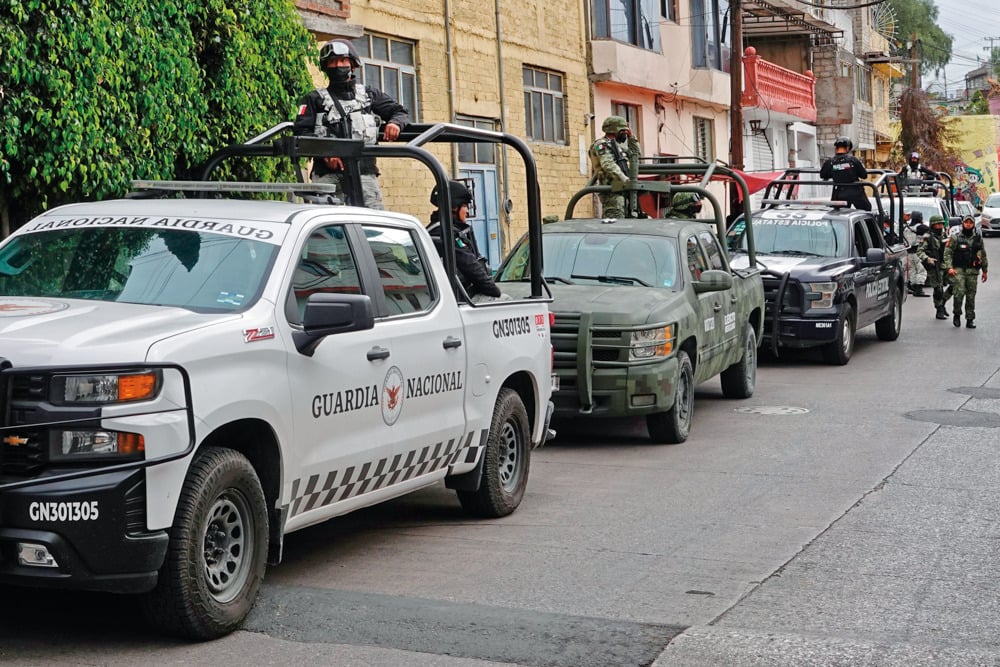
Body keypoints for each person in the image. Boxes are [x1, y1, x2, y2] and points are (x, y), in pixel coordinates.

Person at [293, 39, 411, 209]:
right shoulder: (314, 99)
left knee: (371, 225)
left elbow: (400, 111)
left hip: (364, 175)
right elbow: (301, 133)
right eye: (332, 62)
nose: (337, 66)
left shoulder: (369, 95)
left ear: (352, 64)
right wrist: (326, 153)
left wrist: (395, 124)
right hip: (328, 177)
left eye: (342, 60)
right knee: (328, 229)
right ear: (326, 67)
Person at [427, 180, 502, 300]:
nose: (467, 211)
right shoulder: (446, 233)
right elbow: (471, 266)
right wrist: (495, 291)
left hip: (455, 297)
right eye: (465, 206)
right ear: (454, 207)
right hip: (460, 298)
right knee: (504, 301)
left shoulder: (438, 229)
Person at [588, 116, 640, 218]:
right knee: (616, 224)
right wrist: (625, 180)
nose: (625, 133)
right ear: (614, 130)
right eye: (623, 131)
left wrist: (631, 138)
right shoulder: (601, 145)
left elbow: (636, 154)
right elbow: (608, 164)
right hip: (612, 193)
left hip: (625, 191)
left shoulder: (618, 146)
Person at [943, 215, 989, 328]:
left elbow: (983, 254)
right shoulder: (956, 238)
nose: (968, 224)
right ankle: (957, 314)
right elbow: (947, 253)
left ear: (973, 224)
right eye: (966, 222)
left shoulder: (978, 238)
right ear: (963, 224)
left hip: (972, 271)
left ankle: (970, 319)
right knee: (959, 293)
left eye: (970, 223)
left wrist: (985, 270)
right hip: (958, 270)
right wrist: (949, 267)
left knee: (971, 296)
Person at [819, 136, 871, 211]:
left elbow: (823, 175)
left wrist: (835, 171)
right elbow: (864, 175)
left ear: (836, 148)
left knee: (838, 215)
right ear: (848, 148)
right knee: (867, 212)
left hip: (839, 193)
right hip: (855, 192)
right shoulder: (853, 160)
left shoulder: (830, 162)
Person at [916, 215, 951, 319]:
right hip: (934, 265)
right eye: (937, 224)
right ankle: (939, 309)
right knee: (938, 289)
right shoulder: (927, 237)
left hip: (946, 264)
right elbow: (919, 251)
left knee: (955, 284)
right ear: (932, 225)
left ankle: (942, 302)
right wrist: (927, 259)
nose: (940, 226)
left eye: (941, 224)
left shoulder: (944, 235)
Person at [904, 210, 929, 297]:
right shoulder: (921, 227)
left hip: (908, 252)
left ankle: (913, 287)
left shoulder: (906, 228)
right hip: (918, 252)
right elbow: (929, 232)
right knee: (922, 270)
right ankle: (919, 289)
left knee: (912, 270)